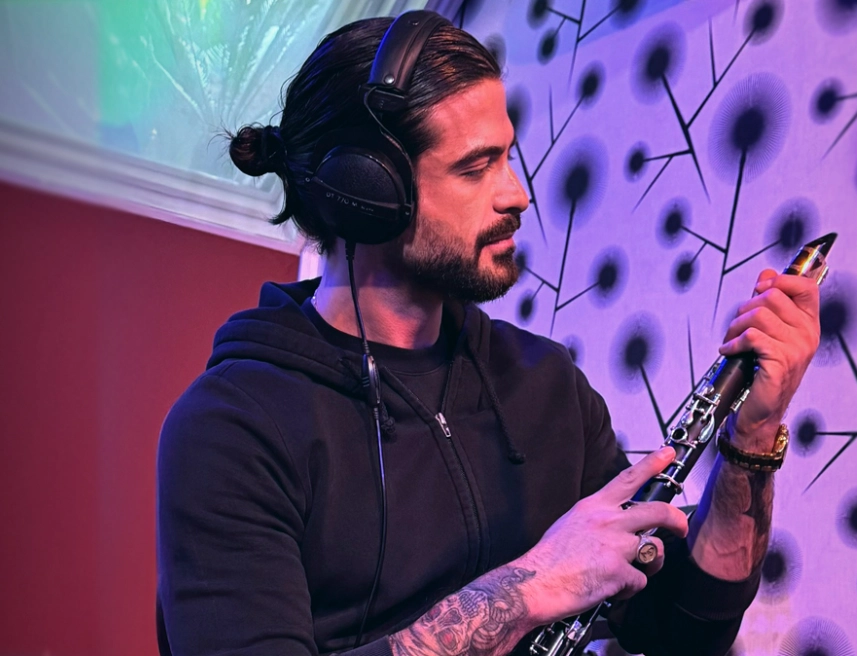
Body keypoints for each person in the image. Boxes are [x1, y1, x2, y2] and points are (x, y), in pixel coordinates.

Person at [156, 11, 820, 656]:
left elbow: (685, 630)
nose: (517, 194)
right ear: (367, 193)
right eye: (476, 168)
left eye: (508, 157)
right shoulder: (233, 426)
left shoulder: (544, 385)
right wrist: (527, 588)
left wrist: (753, 439)